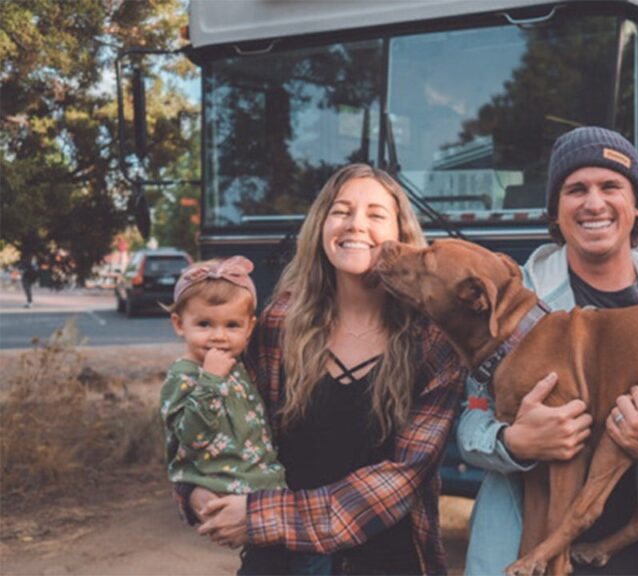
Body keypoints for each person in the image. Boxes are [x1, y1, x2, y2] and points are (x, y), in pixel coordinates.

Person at [457, 127, 638, 575]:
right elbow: (470, 424)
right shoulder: (511, 302)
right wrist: (514, 443)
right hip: (521, 551)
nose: (594, 203)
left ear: (636, 205)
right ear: (556, 210)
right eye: (576, 189)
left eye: (611, 186)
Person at [176, 164, 465, 575]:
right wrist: (196, 487)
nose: (355, 225)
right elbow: (226, 420)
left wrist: (263, 516)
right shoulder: (280, 322)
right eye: (341, 211)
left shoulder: (432, 339)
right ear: (320, 226)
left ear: (402, 234)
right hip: (280, 562)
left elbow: (404, 477)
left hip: (386, 562)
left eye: (376, 214)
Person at [160, 256, 330, 574]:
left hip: (267, 489)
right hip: (236, 490)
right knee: (305, 561)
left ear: (250, 327)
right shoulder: (185, 376)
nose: (219, 336)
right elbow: (190, 438)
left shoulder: (235, 365)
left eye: (232, 325)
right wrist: (210, 381)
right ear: (179, 324)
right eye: (204, 324)